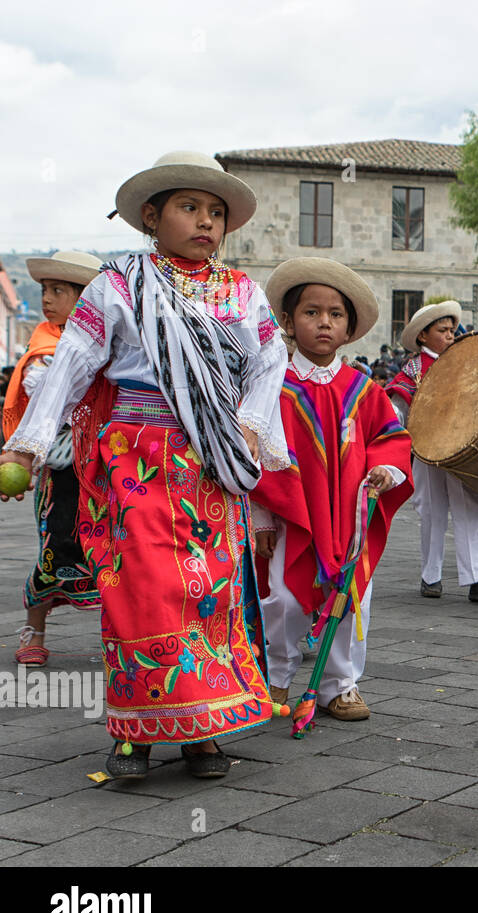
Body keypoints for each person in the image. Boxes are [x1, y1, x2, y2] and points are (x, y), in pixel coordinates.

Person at [0, 150, 289, 779]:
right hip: (134, 459)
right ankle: (136, 730)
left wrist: (249, 425)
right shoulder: (119, 284)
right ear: (150, 218)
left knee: (208, 592)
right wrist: (27, 442)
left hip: (209, 459)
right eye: (190, 207)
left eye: (216, 211)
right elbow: (75, 360)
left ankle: (205, 728)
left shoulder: (241, 291)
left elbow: (271, 364)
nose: (207, 221)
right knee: (140, 593)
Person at [251, 257, 413, 721]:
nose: (324, 322)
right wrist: (261, 516)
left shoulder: (364, 389)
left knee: (350, 594)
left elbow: (390, 439)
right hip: (290, 519)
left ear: (349, 328)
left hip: (351, 518)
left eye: (335, 315)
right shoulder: (273, 388)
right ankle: (277, 676)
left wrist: (386, 470)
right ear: (288, 321)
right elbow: (256, 451)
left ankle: (339, 684)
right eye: (311, 312)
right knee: (282, 595)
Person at [2, 251, 104, 666]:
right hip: (61, 463)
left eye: (59, 290)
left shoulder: (107, 343)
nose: (47, 298)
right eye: (45, 290)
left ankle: (118, 638)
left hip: (104, 464)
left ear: (85, 301)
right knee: (56, 543)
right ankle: (33, 630)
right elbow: (44, 390)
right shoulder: (45, 347)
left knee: (109, 551)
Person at [386, 302, 478, 602]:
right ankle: (431, 576)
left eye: (452, 330)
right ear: (423, 336)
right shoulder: (414, 370)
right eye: (442, 331)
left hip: (461, 449)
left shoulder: (463, 363)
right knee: (431, 511)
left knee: (468, 507)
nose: (450, 336)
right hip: (426, 453)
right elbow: (396, 410)